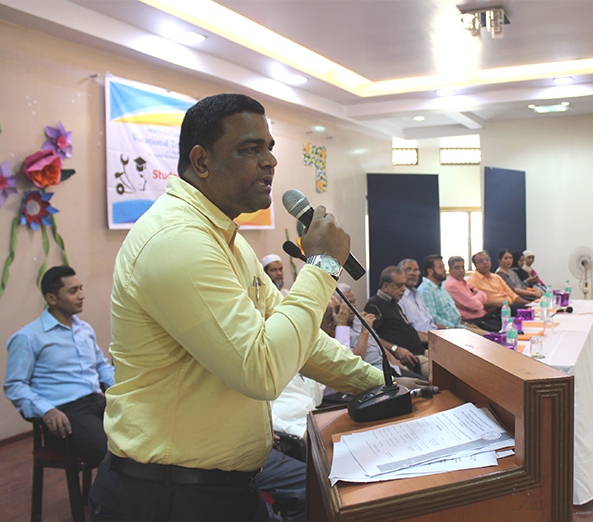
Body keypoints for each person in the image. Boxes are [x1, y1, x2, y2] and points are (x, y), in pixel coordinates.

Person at [89, 93, 428, 522]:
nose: (270, 161)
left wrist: (384, 383)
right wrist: (322, 264)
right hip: (166, 497)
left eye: (269, 148)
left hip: (220, 486)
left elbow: (300, 342)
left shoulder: (226, 240)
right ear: (202, 161)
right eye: (251, 149)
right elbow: (261, 369)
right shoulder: (176, 240)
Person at [4, 265, 114, 467]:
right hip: (65, 413)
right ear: (51, 298)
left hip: (97, 402)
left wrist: (122, 389)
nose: (81, 295)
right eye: (73, 291)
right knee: (113, 454)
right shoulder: (28, 337)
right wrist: (46, 410)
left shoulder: (84, 329)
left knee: (144, 438)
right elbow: (15, 385)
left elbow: (101, 367)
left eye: (80, 288)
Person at [364, 266, 428, 377]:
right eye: (399, 285)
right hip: (411, 359)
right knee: (446, 371)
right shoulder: (375, 306)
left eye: (404, 284)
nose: (404, 289)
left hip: (420, 352)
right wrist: (395, 349)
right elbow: (371, 338)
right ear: (385, 286)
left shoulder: (393, 303)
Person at [444, 256, 502, 332]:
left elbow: (484, 295)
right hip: (474, 320)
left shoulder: (462, 282)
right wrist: (477, 297)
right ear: (450, 270)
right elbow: (475, 306)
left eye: (463, 267)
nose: (461, 271)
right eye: (457, 268)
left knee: (511, 326)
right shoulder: (452, 285)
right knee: (505, 331)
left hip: (484, 316)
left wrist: (476, 297)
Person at [467, 250, 531, 313]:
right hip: (495, 310)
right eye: (481, 261)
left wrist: (530, 304)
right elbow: (476, 303)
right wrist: (496, 304)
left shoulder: (496, 277)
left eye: (487, 259)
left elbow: (513, 295)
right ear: (475, 264)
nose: (485, 262)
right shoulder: (471, 282)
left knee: (529, 309)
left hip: (510, 306)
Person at [417, 255, 467, 330]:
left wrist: (465, 324)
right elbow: (433, 319)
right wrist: (455, 328)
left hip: (459, 326)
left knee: (484, 333)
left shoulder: (440, 288)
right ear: (430, 271)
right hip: (448, 330)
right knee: (484, 335)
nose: (444, 270)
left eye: (444, 267)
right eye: (441, 267)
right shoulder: (426, 290)